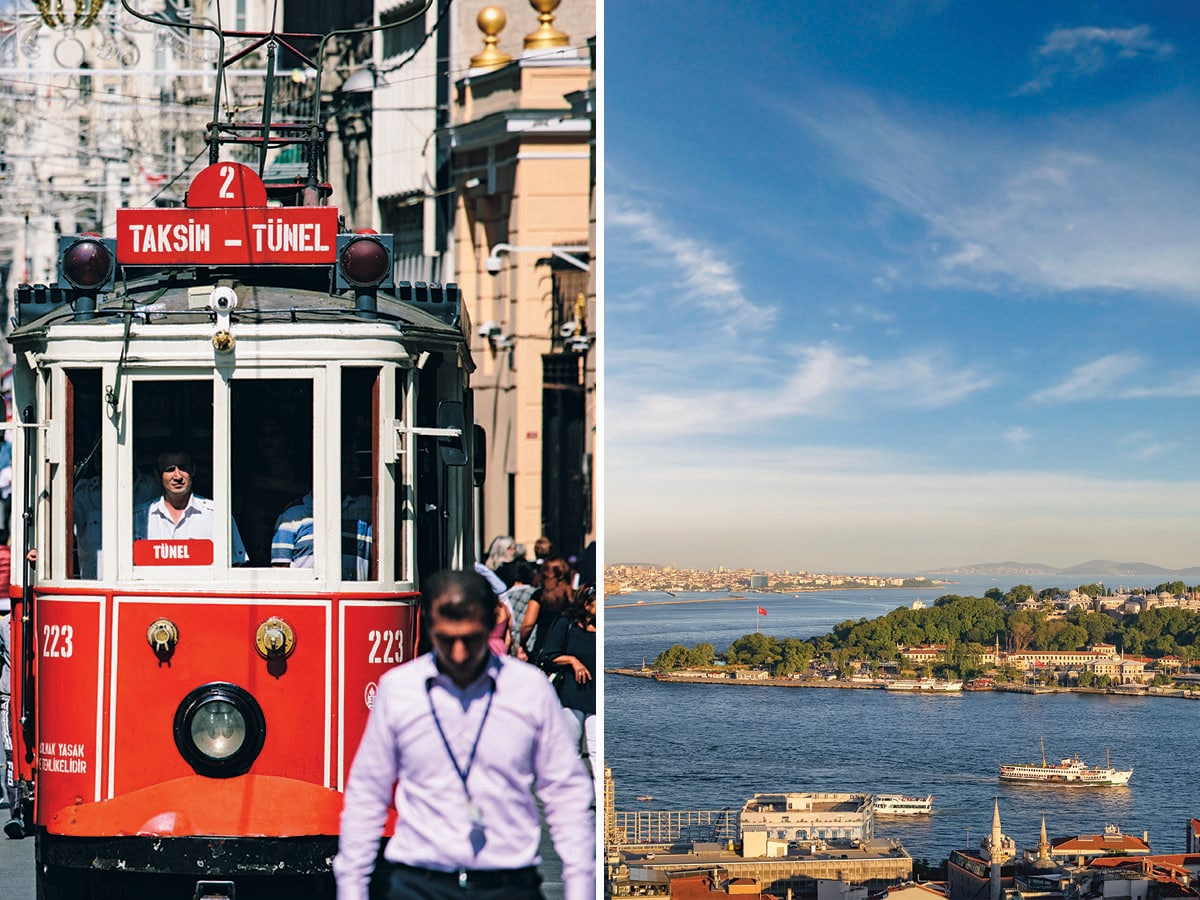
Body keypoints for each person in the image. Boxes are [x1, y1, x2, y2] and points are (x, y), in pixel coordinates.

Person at [334, 569, 594, 900]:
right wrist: (352, 889)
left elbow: (565, 794)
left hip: (508, 884)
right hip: (420, 884)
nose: (458, 653)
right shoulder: (398, 691)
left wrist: (581, 888)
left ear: (491, 624)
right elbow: (367, 794)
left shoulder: (530, 690)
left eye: (470, 639)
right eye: (446, 639)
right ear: (430, 625)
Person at [133, 451, 249, 564]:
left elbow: (234, 566)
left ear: (193, 470)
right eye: (170, 469)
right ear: (158, 475)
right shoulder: (138, 517)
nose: (177, 476)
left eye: (184, 468)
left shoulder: (217, 515)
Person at [538, 584, 597, 779]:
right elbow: (548, 656)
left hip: (594, 698)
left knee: (597, 753)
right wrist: (572, 660)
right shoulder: (566, 624)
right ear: (587, 604)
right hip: (571, 695)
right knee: (571, 751)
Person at [270, 491, 372, 579]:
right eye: (347, 467)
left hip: (354, 597)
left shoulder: (366, 507)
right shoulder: (291, 516)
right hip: (307, 598)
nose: (355, 469)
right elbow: (280, 572)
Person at [518, 557, 575, 663]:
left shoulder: (540, 596)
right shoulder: (574, 596)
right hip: (570, 648)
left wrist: (522, 644)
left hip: (544, 647)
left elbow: (528, 625)